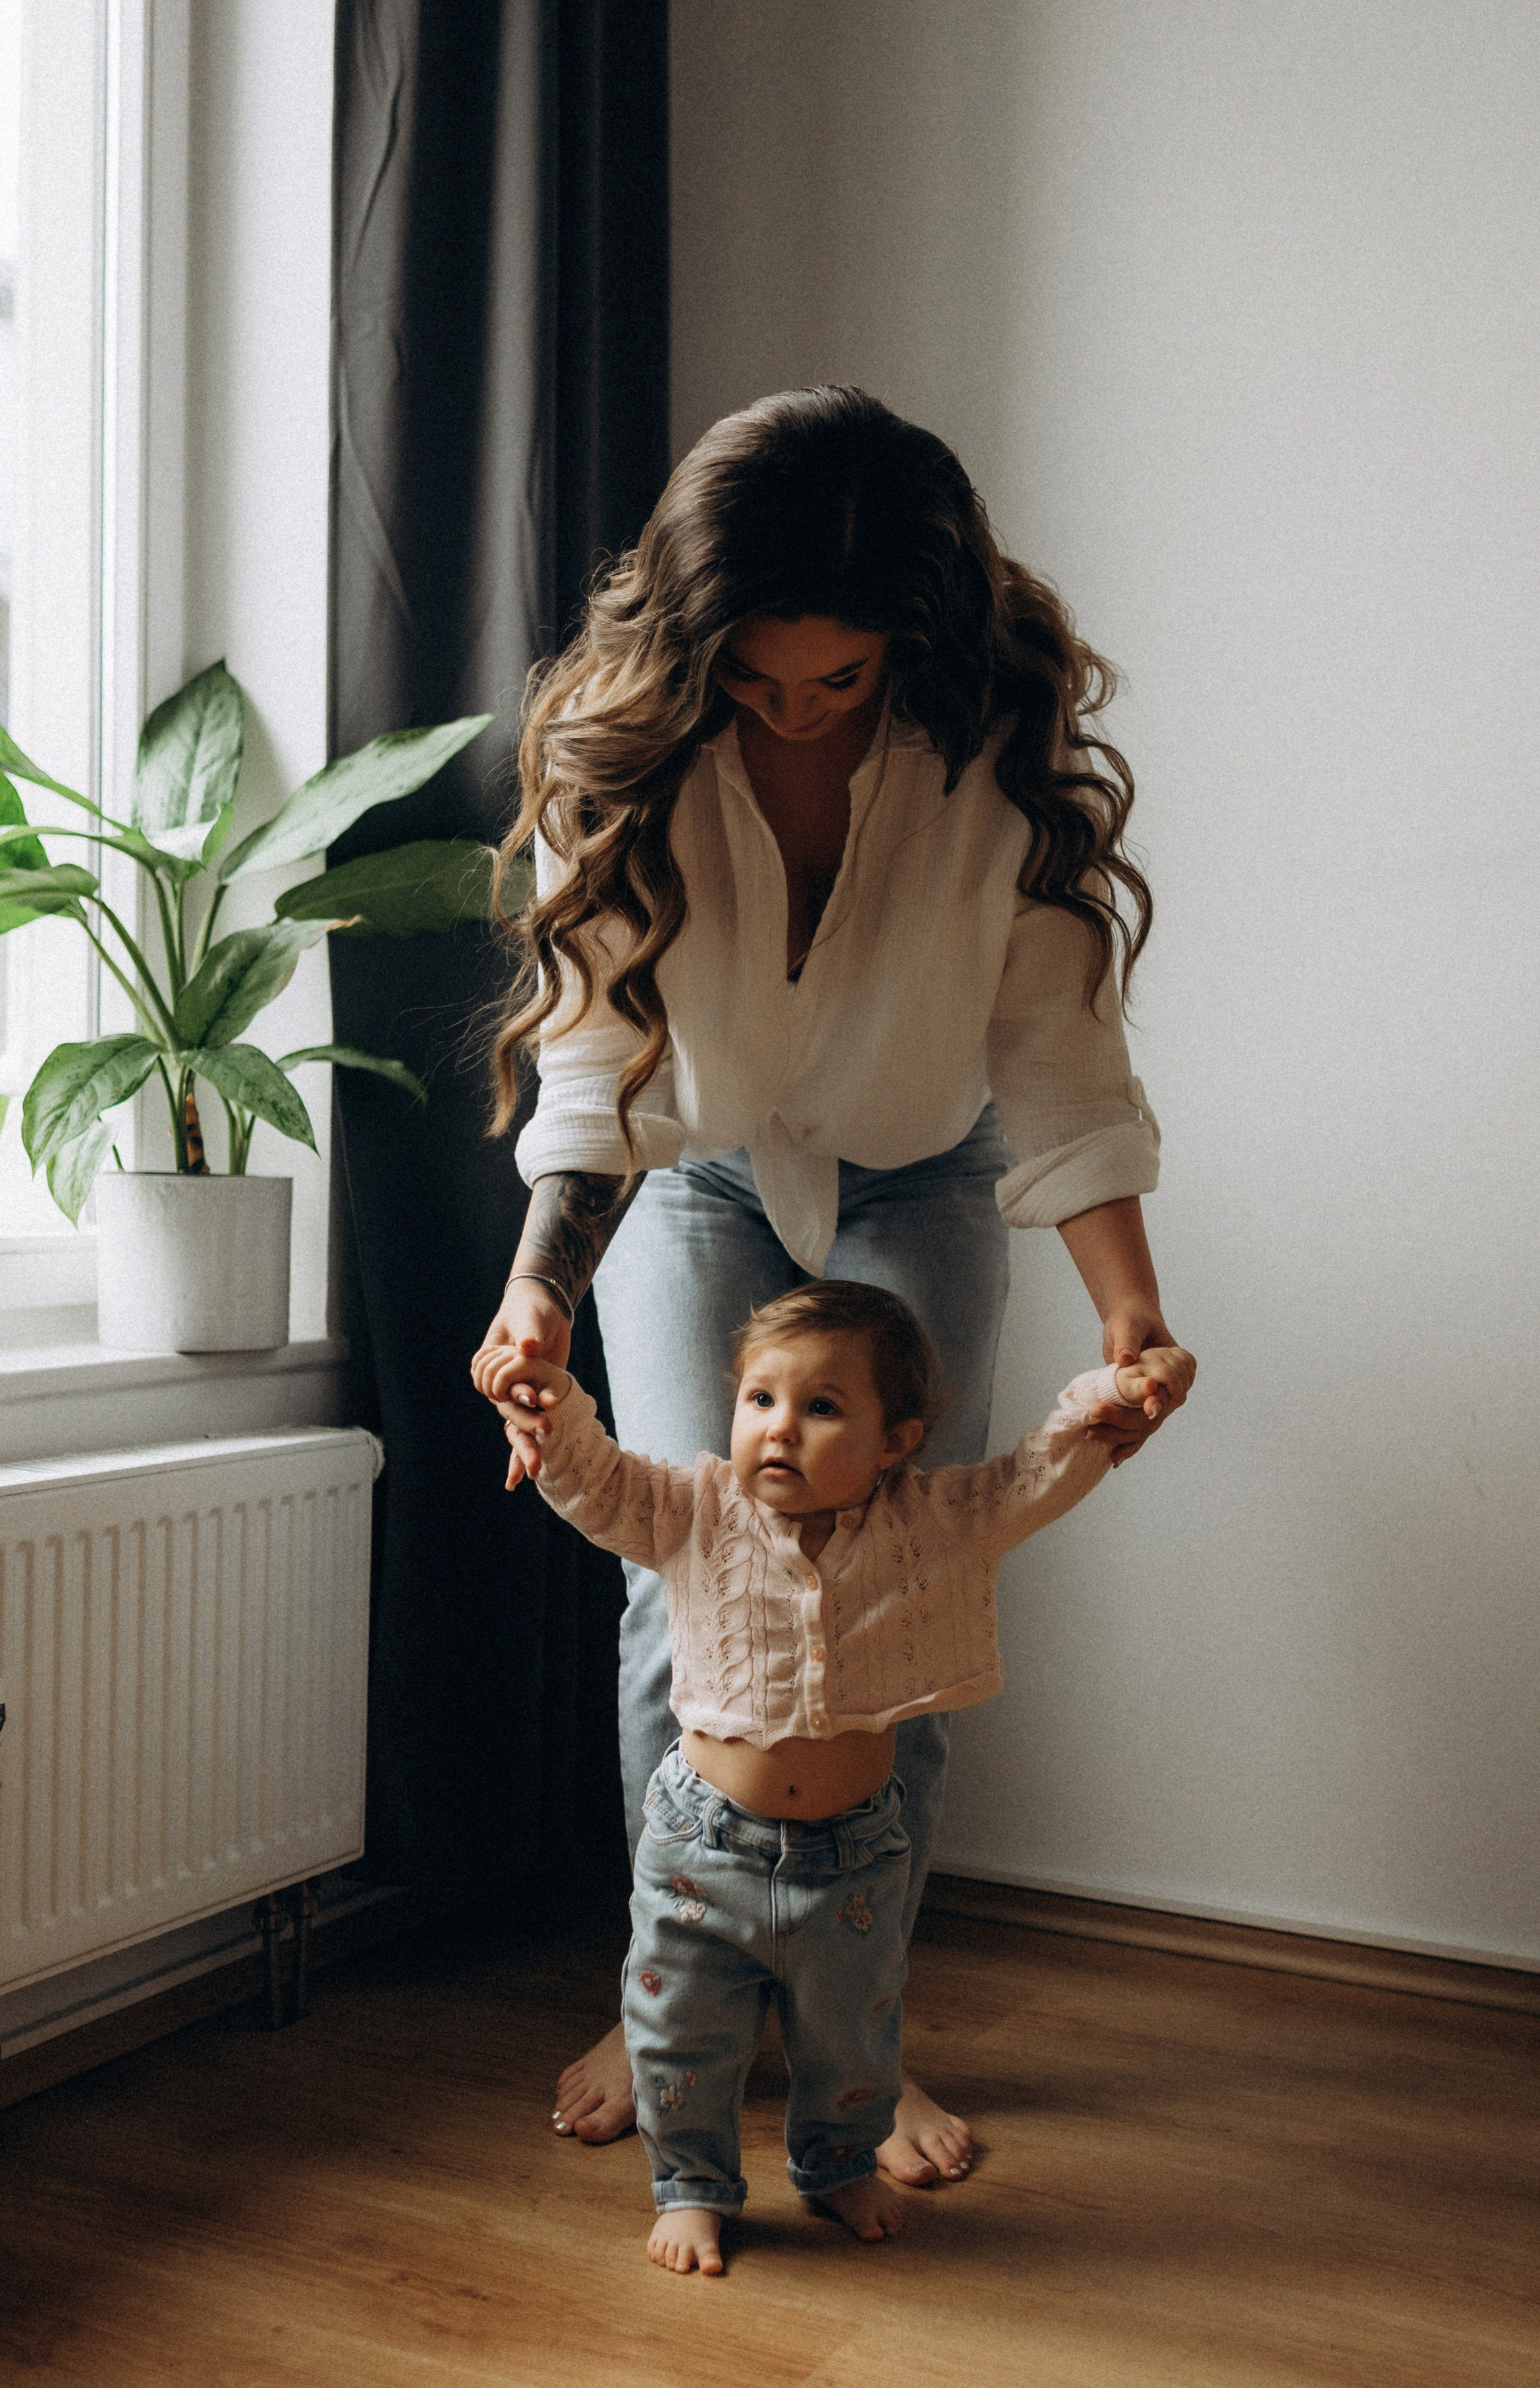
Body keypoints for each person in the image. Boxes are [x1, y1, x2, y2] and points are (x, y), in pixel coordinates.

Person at [472, 384, 1194, 2183]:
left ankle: (856, 2030)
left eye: (842, 682)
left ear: (916, 646)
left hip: (929, 1162)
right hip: (696, 1171)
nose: (797, 711)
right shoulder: (616, 747)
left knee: (903, 1587)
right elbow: (594, 1065)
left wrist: (1132, 1313)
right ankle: (678, 1997)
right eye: (762, 682)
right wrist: (537, 1290)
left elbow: (1052, 1049)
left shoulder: (990, 745)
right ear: (695, 641)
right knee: (684, 1578)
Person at [478, 1281, 1195, 2274]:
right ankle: (691, 2184)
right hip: (702, 1847)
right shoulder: (694, 1510)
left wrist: (1113, 1394)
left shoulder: (933, 1523)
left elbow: (1037, 1472)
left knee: (852, 2042)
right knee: (681, 2034)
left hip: (854, 1855)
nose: (780, 1429)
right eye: (760, 1400)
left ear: (895, 1438)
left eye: (821, 1408)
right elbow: (595, 1480)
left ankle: (832, 2163)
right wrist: (546, 1403)